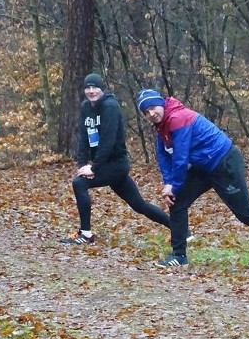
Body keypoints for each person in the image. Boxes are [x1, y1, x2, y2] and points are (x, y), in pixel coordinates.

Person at [135, 88, 249, 271]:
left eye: (153, 108)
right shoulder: (162, 125)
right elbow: (163, 155)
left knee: (244, 213)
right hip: (204, 166)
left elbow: (180, 158)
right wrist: (168, 183)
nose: (151, 114)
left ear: (161, 103)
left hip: (224, 163)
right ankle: (179, 256)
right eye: (146, 112)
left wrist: (174, 185)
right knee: (177, 203)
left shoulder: (178, 118)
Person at [61, 74, 172, 245]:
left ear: (102, 89)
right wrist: (82, 164)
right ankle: (179, 229)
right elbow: (83, 137)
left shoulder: (110, 107)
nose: (91, 91)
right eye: (88, 88)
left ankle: (86, 233)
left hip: (116, 165)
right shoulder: (85, 107)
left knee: (79, 183)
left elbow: (108, 141)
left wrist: (94, 168)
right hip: (105, 165)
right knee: (139, 205)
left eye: (95, 87)